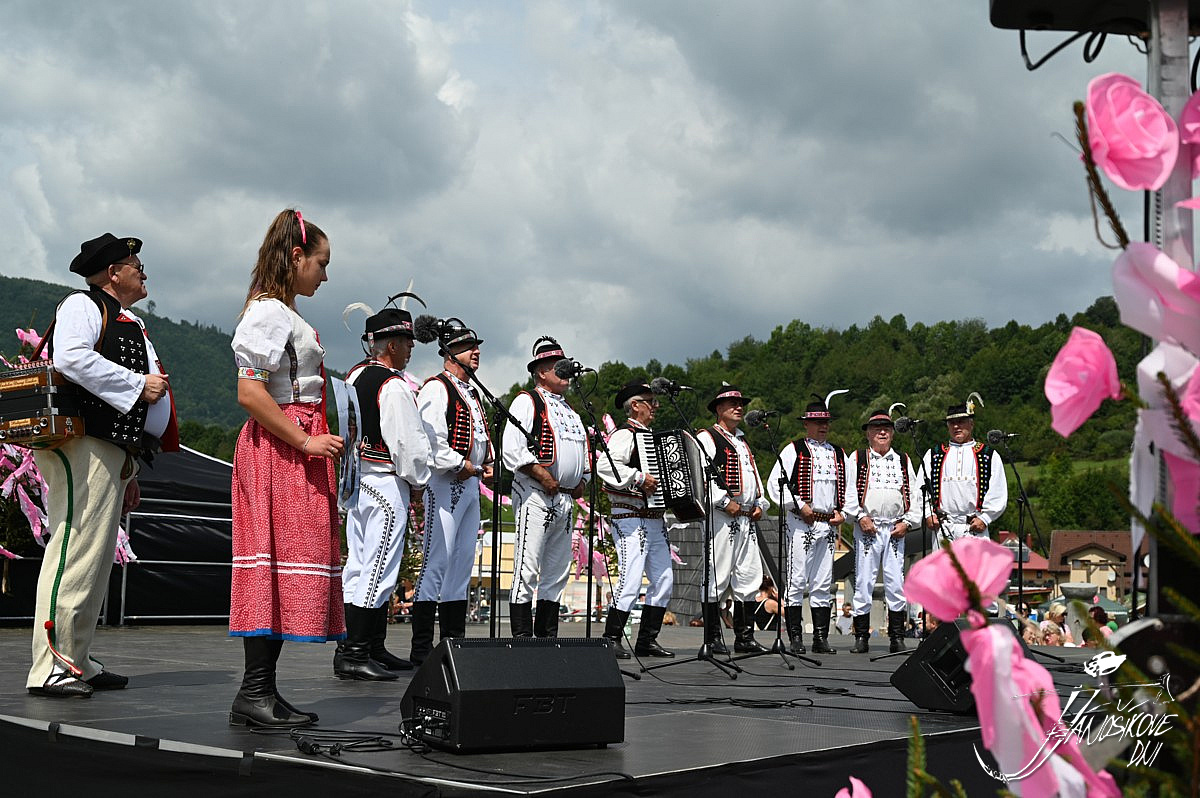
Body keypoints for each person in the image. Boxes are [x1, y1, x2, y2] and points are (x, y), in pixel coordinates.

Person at [27, 233, 178, 698]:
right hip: (83, 444)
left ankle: (75, 657)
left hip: (107, 448)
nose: (143, 272)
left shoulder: (120, 316)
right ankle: (51, 665)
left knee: (92, 557)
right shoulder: (84, 304)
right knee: (74, 549)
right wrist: (138, 384)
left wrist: (128, 468)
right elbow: (71, 357)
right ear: (113, 272)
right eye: (136, 264)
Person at [229, 210, 343, 728]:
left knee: (283, 563)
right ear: (296, 257)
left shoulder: (285, 313)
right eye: (321, 263)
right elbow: (249, 392)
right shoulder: (268, 312)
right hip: (281, 449)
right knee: (269, 564)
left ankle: (262, 690)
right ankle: (254, 692)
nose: (325, 274)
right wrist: (304, 439)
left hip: (295, 446)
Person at [335, 303, 431, 680]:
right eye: (406, 342)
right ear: (391, 345)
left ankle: (363, 647)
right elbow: (407, 444)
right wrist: (419, 482)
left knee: (358, 565)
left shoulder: (355, 375)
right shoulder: (393, 385)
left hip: (356, 481)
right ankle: (357, 652)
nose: (410, 349)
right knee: (379, 568)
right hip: (385, 481)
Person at [412, 321, 493, 664]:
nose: (476, 352)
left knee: (462, 562)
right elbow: (431, 442)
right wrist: (465, 464)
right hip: (444, 483)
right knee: (437, 561)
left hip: (470, 483)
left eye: (476, 346)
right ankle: (420, 648)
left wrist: (486, 463)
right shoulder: (437, 388)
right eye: (469, 346)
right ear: (450, 352)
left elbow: (479, 437)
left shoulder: (471, 392)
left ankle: (453, 641)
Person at [503, 337, 590, 638]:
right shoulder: (527, 401)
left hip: (565, 498)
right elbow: (512, 449)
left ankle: (547, 636)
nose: (565, 372)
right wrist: (542, 475)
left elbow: (584, 455)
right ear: (541, 371)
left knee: (557, 570)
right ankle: (522, 637)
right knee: (527, 566)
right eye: (557, 367)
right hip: (535, 493)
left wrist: (582, 480)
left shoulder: (573, 412)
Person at [596, 380, 674, 658]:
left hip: (654, 518)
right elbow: (605, 465)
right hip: (630, 516)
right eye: (651, 401)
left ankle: (647, 640)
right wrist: (639, 477)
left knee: (664, 579)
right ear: (636, 405)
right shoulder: (624, 435)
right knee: (630, 578)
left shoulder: (651, 437)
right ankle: (611, 636)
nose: (656, 406)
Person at [766, 395, 847, 656]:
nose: (823, 426)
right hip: (801, 523)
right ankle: (796, 637)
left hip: (827, 524)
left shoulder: (838, 453)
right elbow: (774, 485)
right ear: (806, 424)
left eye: (826, 422)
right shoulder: (794, 450)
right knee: (796, 580)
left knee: (823, 582)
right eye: (818, 422)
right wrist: (799, 505)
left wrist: (844, 512)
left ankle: (820, 638)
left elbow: (848, 489)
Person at [696, 384, 769, 654]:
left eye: (740, 404)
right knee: (717, 574)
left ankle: (744, 637)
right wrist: (724, 502)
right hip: (721, 516)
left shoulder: (742, 441)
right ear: (718, 408)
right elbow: (701, 476)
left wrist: (760, 502)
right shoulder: (708, 437)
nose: (739, 408)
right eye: (732, 404)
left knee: (749, 575)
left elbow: (753, 477)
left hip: (746, 517)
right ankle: (712, 638)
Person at [843, 410, 922, 654]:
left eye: (886, 428)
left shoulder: (903, 460)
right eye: (876, 428)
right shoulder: (858, 458)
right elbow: (848, 492)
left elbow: (915, 494)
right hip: (868, 526)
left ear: (893, 434)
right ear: (868, 433)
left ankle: (897, 637)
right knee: (863, 581)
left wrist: (908, 522)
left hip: (895, 527)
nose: (882, 432)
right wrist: (860, 516)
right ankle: (861, 637)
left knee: (896, 582)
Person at [922, 398, 1008, 544]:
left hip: (975, 528)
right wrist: (928, 514)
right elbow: (921, 489)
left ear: (971, 424)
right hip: (943, 528)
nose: (956, 426)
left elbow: (998, 491)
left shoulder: (988, 455)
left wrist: (985, 518)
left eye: (961, 421)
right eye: (952, 423)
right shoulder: (933, 454)